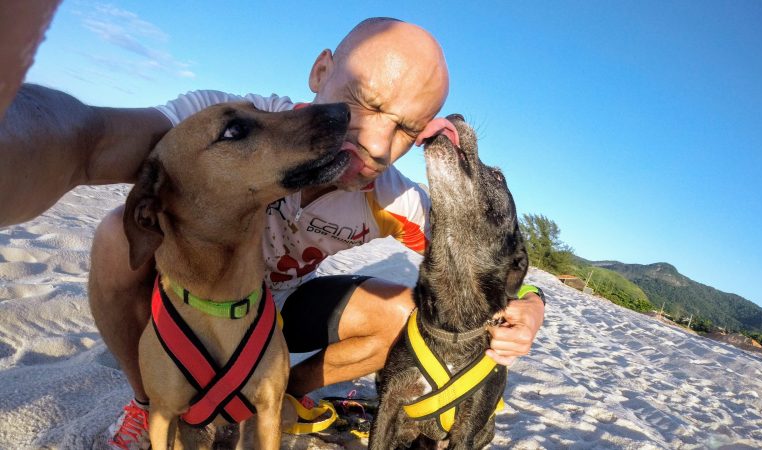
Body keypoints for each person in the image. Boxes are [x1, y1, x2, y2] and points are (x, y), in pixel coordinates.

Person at [1, 18, 544, 449]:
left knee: (405, 315)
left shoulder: (391, 197)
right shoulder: (226, 124)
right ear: (320, 70)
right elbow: (88, 140)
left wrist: (530, 301)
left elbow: (478, 257)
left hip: (275, 312)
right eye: (367, 103)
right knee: (117, 239)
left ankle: (284, 395)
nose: (378, 146)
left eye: (405, 128)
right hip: (187, 304)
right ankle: (146, 403)